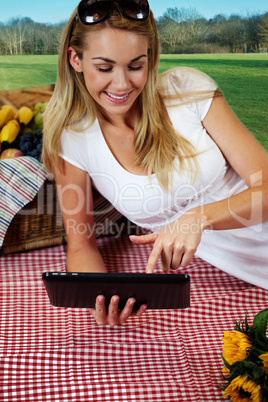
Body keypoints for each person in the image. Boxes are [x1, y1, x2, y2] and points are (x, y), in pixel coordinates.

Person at [42, 0, 268, 326]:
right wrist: (98, 296)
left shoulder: (187, 90)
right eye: (104, 68)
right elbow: (81, 243)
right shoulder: (72, 137)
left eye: (136, 66)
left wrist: (197, 218)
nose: (122, 84)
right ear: (75, 59)